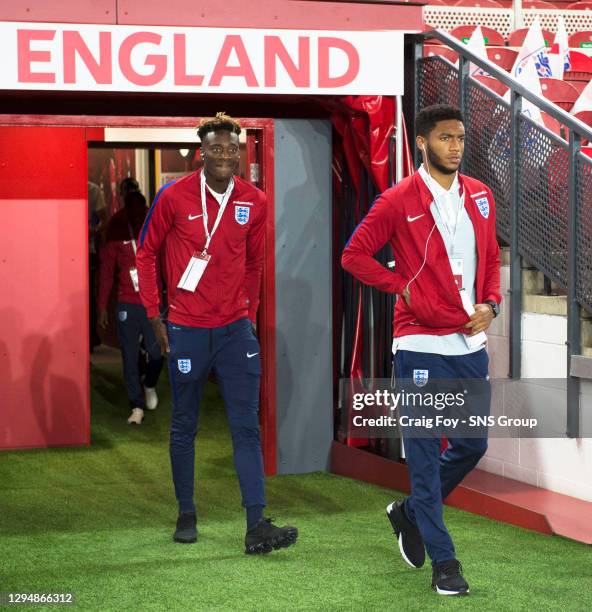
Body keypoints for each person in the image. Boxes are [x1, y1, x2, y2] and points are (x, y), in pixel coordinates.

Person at [341, 104, 501, 596]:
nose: (455, 146)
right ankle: (445, 564)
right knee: (426, 459)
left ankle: (409, 512)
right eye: (445, 137)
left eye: (460, 138)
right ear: (422, 142)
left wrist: (492, 304)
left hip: (469, 342)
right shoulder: (397, 200)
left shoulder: (480, 195)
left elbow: (490, 258)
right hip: (419, 345)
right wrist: (402, 288)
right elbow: (354, 255)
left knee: (472, 445)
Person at [136, 112, 298, 553]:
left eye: (232, 149)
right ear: (200, 153)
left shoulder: (255, 201)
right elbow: (147, 256)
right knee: (184, 424)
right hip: (186, 328)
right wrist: (155, 316)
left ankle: (256, 524)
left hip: (234, 333)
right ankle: (186, 512)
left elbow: (254, 263)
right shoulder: (173, 196)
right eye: (216, 149)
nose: (225, 155)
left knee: (246, 427)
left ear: (240, 153)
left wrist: (248, 313)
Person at [98, 190, 164, 425]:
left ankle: (149, 384)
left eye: (141, 208)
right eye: (133, 209)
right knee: (129, 355)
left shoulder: (155, 221)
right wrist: (102, 306)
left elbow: (169, 260)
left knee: (157, 351)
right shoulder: (117, 228)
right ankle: (136, 405)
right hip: (127, 302)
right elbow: (107, 271)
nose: (137, 214)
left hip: (152, 303)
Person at [88, 180, 108, 351]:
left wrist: (91, 232)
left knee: (88, 294)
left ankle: (91, 335)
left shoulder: (93, 190)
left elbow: (104, 220)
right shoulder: (93, 189)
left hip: (89, 250)